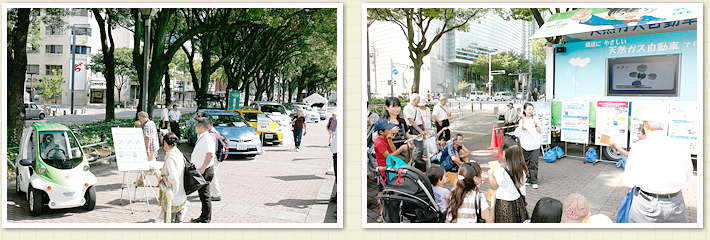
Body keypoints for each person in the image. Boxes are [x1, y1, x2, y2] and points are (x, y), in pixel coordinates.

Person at [623, 113, 693, 223]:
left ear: (645, 124)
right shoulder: (681, 145)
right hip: (675, 204)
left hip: (645, 204)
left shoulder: (638, 147)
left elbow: (629, 182)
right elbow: (689, 177)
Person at [372, 118, 410, 222]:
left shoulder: (385, 139)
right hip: (384, 171)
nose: (391, 130)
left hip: (389, 170)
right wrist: (401, 149)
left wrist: (389, 140)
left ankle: (387, 213)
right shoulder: (379, 143)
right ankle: (382, 214)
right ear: (381, 131)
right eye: (388, 129)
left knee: (387, 191)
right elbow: (389, 157)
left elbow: (393, 150)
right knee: (382, 192)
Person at [488, 146, 529, 223]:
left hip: (503, 203)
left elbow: (493, 186)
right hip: (518, 203)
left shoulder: (501, 171)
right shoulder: (522, 170)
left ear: (505, 155)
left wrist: (490, 174)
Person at [157, 132, 188, 223]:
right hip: (181, 194)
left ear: (165, 143)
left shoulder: (170, 158)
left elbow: (173, 178)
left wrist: (164, 178)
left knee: (169, 220)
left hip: (172, 195)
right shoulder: (178, 153)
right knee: (178, 221)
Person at [190, 117, 216, 223]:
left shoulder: (207, 138)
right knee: (202, 195)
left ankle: (206, 219)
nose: (195, 127)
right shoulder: (201, 136)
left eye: (196, 125)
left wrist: (202, 168)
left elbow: (210, 154)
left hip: (205, 170)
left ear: (201, 127)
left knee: (205, 195)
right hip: (201, 169)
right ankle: (203, 216)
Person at [515, 102, 542, 189]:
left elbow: (539, 130)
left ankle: (534, 181)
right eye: (529, 109)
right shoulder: (522, 120)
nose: (531, 111)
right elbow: (523, 128)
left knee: (534, 163)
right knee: (526, 163)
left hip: (535, 145)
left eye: (532, 109)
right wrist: (523, 118)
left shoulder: (535, 119)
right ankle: (527, 179)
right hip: (525, 145)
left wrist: (536, 124)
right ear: (525, 110)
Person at [381, 97, 412, 163]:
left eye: (398, 106)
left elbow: (405, 134)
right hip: (390, 151)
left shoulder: (401, 121)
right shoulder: (384, 122)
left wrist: (411, 137)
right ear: (387, 107)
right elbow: (378, 137)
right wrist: (391, 131)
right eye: (394, 107)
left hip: (404, 151)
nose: (397, 109)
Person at [137, 111, 161, 185]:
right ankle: (141, 179)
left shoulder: (147, 125)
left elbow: (148, 138)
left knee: (152, 166)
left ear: (145, 117)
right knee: (147, 164)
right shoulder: (151, 123)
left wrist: (147, 150)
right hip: (155, 147)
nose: (139, 120)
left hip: (150, 148)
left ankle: (162, 180)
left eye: (140, 118)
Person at [404, 93, 426, 162]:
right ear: (414, 100)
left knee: (420, 148)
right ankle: (415, 163)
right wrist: (420, 131)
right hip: (415, 129)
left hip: (419, 127)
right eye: (418, 100)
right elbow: (412, 121)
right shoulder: (407, 108)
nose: (419, 102)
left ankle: (418, 163)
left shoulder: (416, 108)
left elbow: (420, 118)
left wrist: (424, 128)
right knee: (418, 148)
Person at [207, 122, 223, 202]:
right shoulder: (216, 132)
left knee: (212, 176)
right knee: (212, 175)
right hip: (216, 156)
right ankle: (211, 192)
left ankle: (217, 194)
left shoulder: (211, 134)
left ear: (209, 125)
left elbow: (211, 147)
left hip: (213, 157)